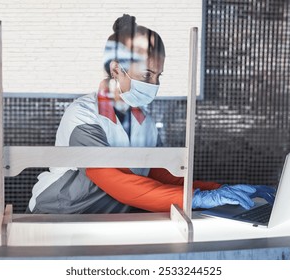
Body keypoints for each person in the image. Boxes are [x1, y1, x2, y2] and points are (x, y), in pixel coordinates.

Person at [27, 14, 275, 214]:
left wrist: (220, 189)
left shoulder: (143, 120)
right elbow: (113, 179)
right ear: (116, 69)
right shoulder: (84, 118)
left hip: (111, 219)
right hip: (61, 216)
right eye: (147, 74)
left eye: (158, 76)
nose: (154, 84)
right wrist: (197, 198)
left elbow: (158, 174)